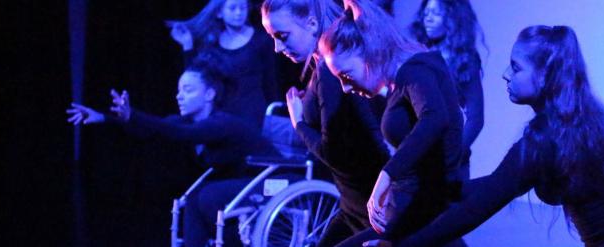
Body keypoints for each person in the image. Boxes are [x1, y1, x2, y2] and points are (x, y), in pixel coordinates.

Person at [377, 25, 604, 247]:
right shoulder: (579, 123)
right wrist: (441, 191)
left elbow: (478, 208)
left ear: (544, 75)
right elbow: (497, 185)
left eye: (516, 67)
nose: (505, 75)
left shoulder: (545, 140)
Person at [66, 61, 277, 247]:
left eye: (188, 90)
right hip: (246, 180)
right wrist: (105, 118)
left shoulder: (221, 123)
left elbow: (181, 133)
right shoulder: (188, 121)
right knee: (194, 197)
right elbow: (151, 130)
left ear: (209, 94)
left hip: (274, 178)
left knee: (210, 195)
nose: (179, 96)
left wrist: (132, 114)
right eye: (179, 90)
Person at [317, 0, 465, 245]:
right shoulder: (401, 79)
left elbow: (435, 118)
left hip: (425, 212)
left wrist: (385, 178)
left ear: (370, 51)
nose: (345, 87)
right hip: (410, 210)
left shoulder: (415, 70)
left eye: (346, 75)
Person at [261, 0, 390, 246]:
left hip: (368, 206)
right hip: (354, 204)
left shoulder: (330, 72)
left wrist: (299, 123)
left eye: (282, 36)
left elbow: (336, 152)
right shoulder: (325, 65)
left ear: (311, 23)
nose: (277, 47)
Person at [169, 0, 279, 126]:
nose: (239, 13)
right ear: (219, 13)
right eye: (232, 8)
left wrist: (273, 115)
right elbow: (196, 78)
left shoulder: (261, 41)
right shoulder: (213, 43)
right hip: (223, 113)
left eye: (242, 8)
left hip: (254, 114)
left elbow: (270, 81)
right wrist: (187, 45)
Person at [411, 0, 486, 181]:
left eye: (436, 14)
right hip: (417, 158)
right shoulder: (418, 53)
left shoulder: (465, 59)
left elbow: (476, 119)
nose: (427, 19)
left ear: (452, 19)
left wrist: (452, 156)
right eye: (426, 13)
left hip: (448, 165)